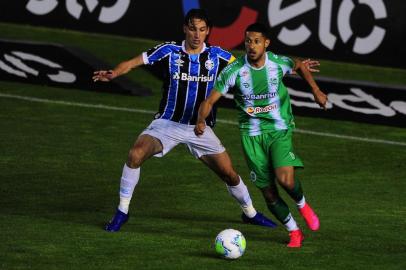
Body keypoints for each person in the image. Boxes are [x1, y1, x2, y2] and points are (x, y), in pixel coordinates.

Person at [92, 9, 279, 232]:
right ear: (185, 29)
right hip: (167, 124)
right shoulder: (169, 51)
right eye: (192, 29)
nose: (197, 35)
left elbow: (249, 68)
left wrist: (288, 69)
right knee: (135, 154)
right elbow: (133, 62)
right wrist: (114, 73)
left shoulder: (218, 56)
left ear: (208, 31)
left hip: (199, 128)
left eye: (202, 30)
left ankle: (250, 213)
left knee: (229, 174)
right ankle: (122, 211)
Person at [194, 23, 328, 248]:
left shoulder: (277, 63)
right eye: (248, 41)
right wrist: (200, 120)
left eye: (256, 41)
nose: (251, 46)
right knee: (268, 192)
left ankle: (302, 204)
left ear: (266, 43)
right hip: (251, 137)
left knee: (285, 178)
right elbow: (209, 100)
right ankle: (294, 231)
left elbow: (298, 65)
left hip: (278, 129)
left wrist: (316, 91)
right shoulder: (234, 71)